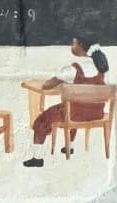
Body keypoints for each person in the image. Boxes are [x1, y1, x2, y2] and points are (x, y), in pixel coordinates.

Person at [23, 38, 108, 167]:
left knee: (42, 120)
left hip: (75, 114)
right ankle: (69, 147)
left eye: (74, 43)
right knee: (72, 108)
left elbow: (47, 85)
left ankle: (37, 159)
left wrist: (60, 81)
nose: (71, 45)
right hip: (96, 113)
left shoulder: (72, 69)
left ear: (80, 46)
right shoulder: (100, 68)